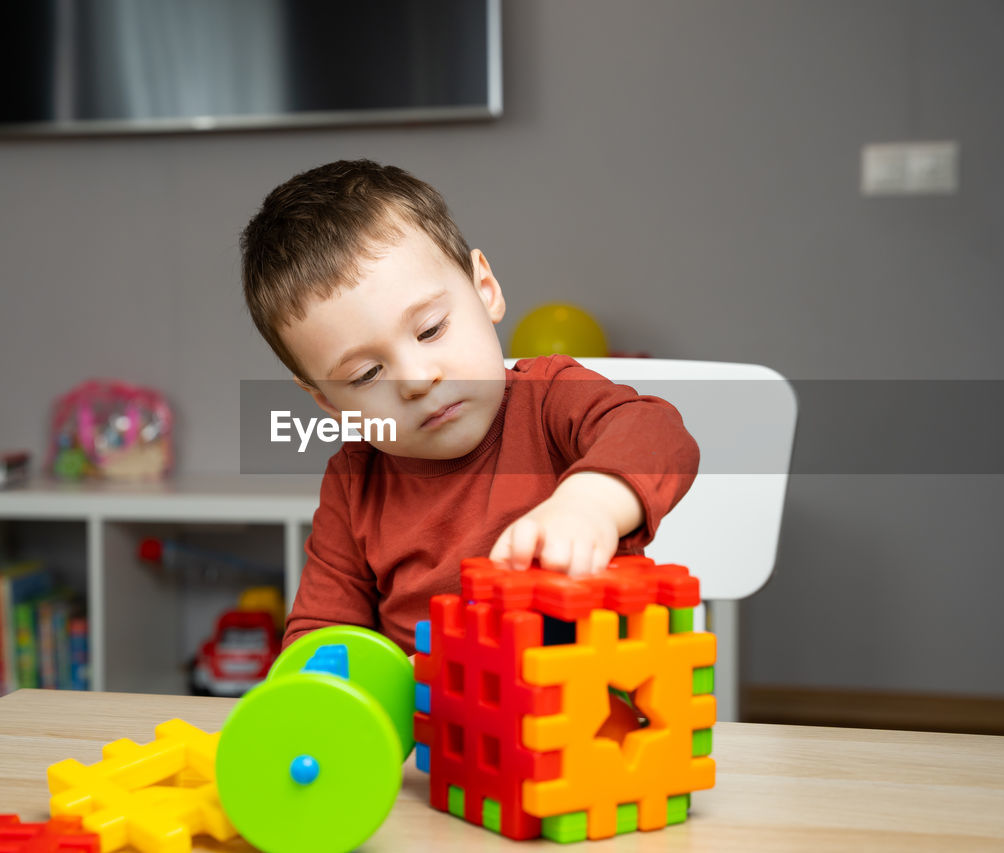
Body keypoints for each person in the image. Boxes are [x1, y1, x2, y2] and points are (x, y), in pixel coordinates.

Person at [241, 159, 699, 654]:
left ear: (486, 290)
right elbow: (321, 638)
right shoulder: (355, 485)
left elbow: (658, 433)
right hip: (434, 724)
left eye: (431, 329)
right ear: (327, 400)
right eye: (366, 375)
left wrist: (589, 506)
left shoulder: (550, 399)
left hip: (588, 711)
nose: (418, 380)